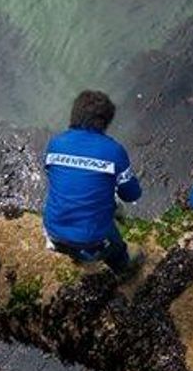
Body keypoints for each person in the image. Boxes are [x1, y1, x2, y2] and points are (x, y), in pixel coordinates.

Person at [43, 90, 143, 274]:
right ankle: (124, 269)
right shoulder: (113, 150)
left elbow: (51, 173)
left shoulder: (55, 143)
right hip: (94, 238)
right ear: (105, 122)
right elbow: (132, 195)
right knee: (115, 246)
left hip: (53, 232)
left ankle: (78, 257)